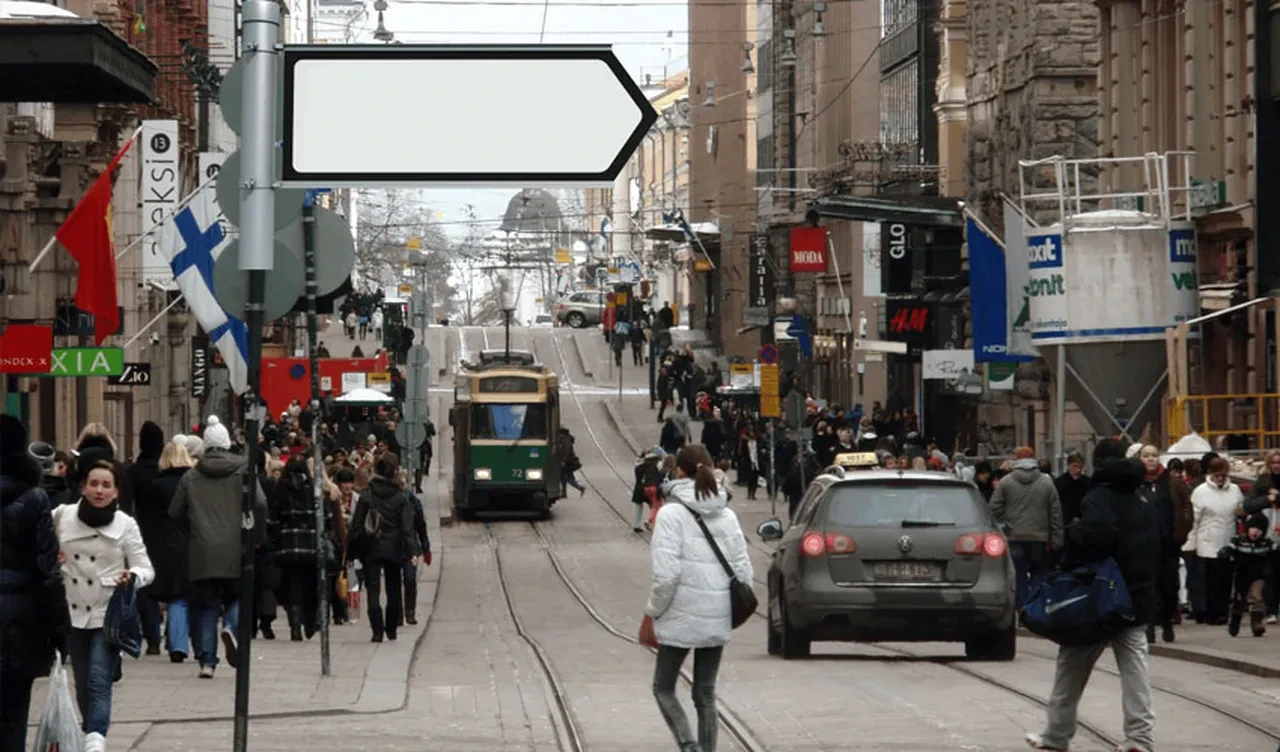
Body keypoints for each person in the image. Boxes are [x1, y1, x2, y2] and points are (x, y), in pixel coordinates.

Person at [1025, 439, 1156, 752]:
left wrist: (1074, 537)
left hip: (1098, 600)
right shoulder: (1143, 496)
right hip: (1137, 598)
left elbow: (1097, 537)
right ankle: (1139, 739)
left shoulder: (1099, 496)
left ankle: (1056, 736)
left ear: (1098, 463)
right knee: (1136, 671)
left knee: (1071, 666)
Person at [644, 445, 752, 752]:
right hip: (716, 614)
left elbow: (666, 576)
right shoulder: (728, 514)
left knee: (663, 687)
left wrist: (653, 611)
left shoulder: (670, 514)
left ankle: (688, 745)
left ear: (679, 471)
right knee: (705, 692)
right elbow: (743, 571)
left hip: (678, 614)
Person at [53, 461, 154, 752]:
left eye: (106, 485)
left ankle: (96, 739)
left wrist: (132, 576)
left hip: (106, 612)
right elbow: (39, 545)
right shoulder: (62, 516)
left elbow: (146, 568)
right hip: (72, 611)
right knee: (82, 681)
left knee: (98, 679)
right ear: (83, 487)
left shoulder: (126, 524)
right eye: (94, 484)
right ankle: (90, 730)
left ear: (116, 491)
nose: (99, 490)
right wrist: (52, 560)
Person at [169, 416, 267, 678]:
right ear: (227, 444)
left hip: (203, 548)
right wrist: (255, 534)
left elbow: (175, 510)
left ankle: (207, 662)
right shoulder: (244, 470)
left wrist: (193, 529)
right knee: (239, 596)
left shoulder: (191, 476)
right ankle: (232, 626)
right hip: (237, 546)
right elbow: (260, 502)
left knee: (207, 606)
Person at [0, 416, 71, 752]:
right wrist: (59, 628)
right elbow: (47, 569)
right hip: (19, 622)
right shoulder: (34, 497)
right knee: (14, 714)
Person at [351, 456, 420, 642]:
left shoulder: (367, 495)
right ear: (394, 472)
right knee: (393, 588)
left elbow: (356, 526)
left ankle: (377, 631)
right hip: (394, 548)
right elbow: (407, 529)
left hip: (371, 546)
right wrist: (413, 551)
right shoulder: (400, 498)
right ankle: (391, 629)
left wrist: (351, 552)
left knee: (373, 590)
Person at [989, 447, 1064, 608]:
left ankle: (1021, 608)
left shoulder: (1006, 482)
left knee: (1018, 575)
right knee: (1039, 573)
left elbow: (994, 508)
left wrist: (1004, 526)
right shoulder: (1046, 482)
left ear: (1016, 460)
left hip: (1014, 536)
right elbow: (1055, 513)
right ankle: (1035, 607)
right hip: (1040, 538)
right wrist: (1057, 539)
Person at [1186, 456, 1241, 625]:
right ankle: (1210, 612)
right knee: (1209, 580)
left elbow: (1238, 514)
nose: (1220, 478)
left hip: (1227, 539)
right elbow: (1194, 519)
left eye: (1223, 475)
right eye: (1217, 475)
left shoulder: (1235, 490)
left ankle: (1222, 611)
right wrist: (1191, 543)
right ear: (1210, 473)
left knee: (1224, 579)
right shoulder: (1201, 492)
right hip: (1206, 541)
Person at [1218, 512, 1275, 637]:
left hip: (1258, 575)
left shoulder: (1267, 543)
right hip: (1241, 575)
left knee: (1257, 597)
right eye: (1253, 528)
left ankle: (1257, 624)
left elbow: (1274, 553)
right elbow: (1230, 548)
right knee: (1239, 600)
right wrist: (1225, 552)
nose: (1255, 532)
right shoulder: (1239, 540)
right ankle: (1235, 621)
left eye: (1259, 530)